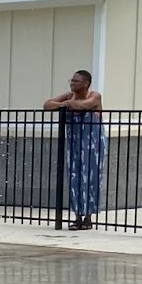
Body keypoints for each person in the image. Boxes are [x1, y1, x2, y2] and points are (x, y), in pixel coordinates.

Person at [44, 69, 105, 229]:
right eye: (71, 80)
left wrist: (65, 105)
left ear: (86, 84)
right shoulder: (69, 96)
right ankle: (77, 216)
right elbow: (47, 105)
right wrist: (65, 103)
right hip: (74, 142)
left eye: (76, 81)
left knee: (91, 177)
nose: (72, 83)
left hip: (92, 143)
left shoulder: (95, 96)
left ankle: (89, 218)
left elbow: (82, 105)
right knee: (74, 177)